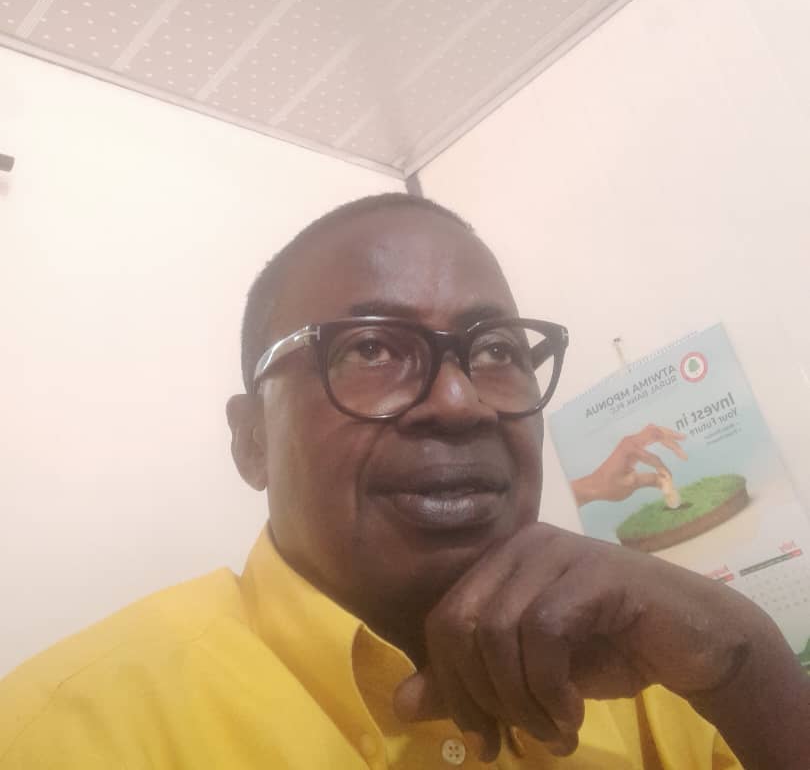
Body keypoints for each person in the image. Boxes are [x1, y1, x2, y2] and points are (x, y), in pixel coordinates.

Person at [1, 193, 808, 769]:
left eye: (496, 350)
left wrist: (748, 667)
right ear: (252, 441)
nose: (460, 402)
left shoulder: (652, 685)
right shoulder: (58, 736)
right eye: (371, 348)